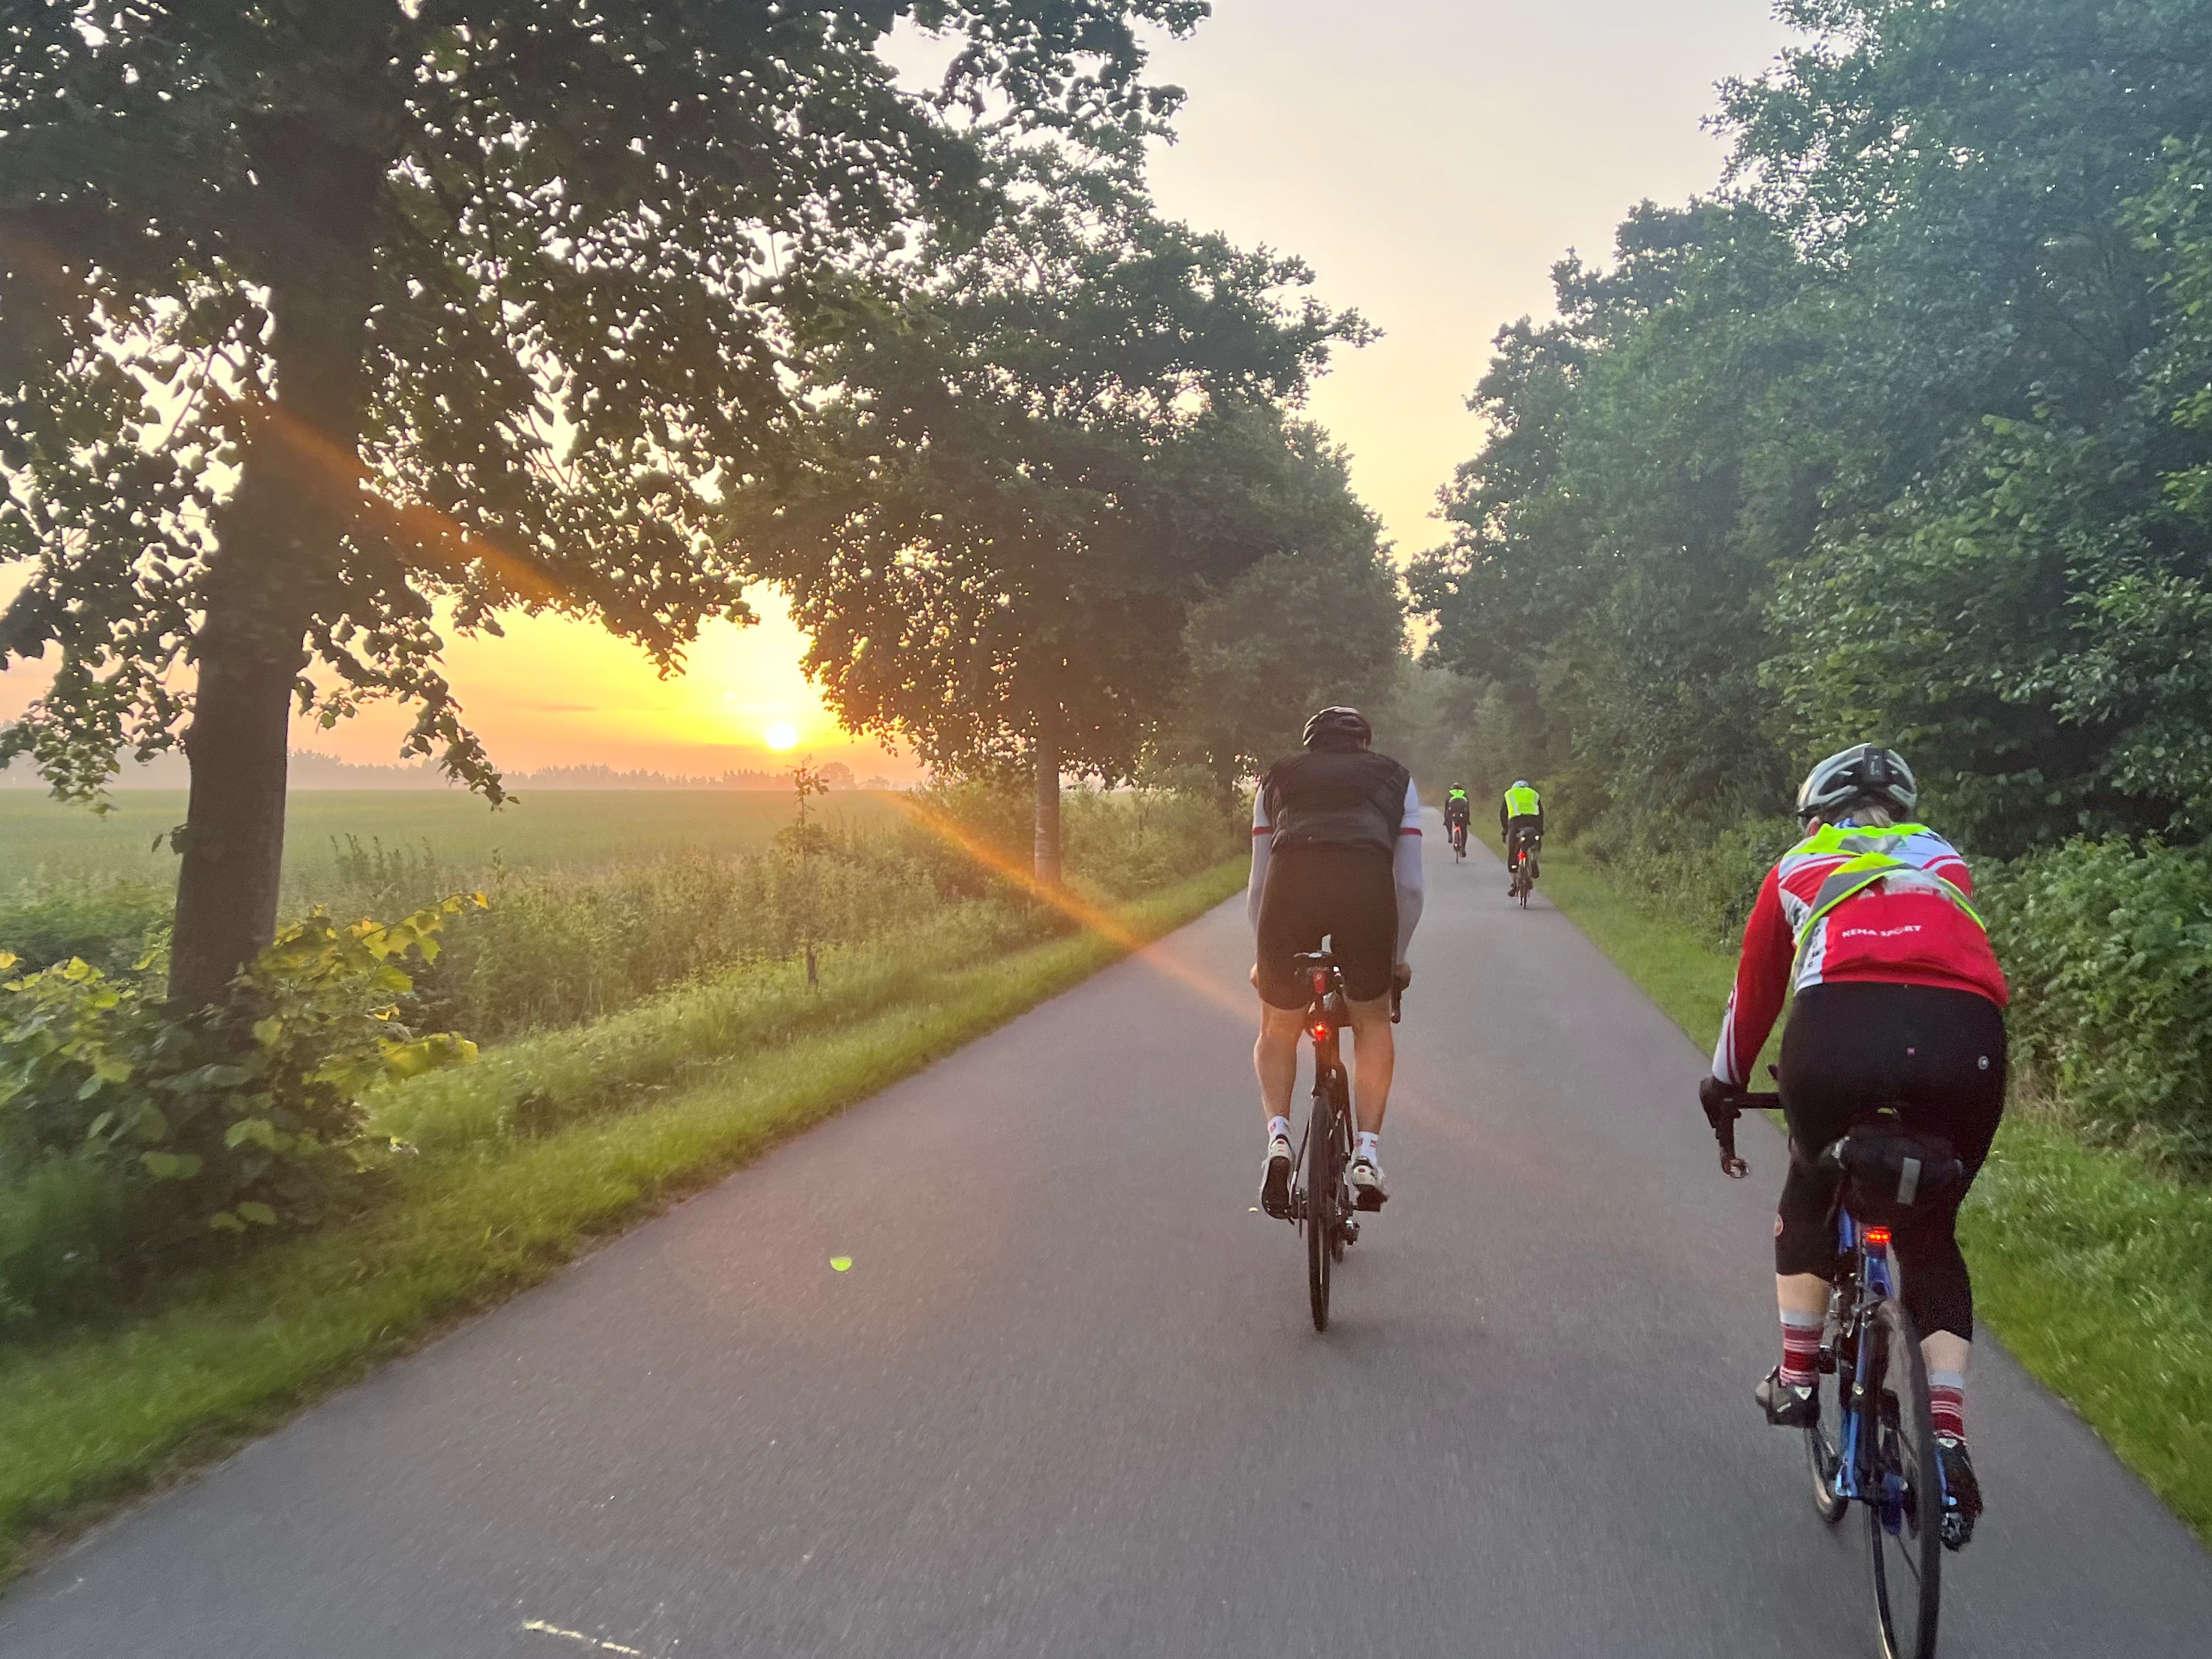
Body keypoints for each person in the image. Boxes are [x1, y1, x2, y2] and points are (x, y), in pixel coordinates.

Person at [1699, 743, 2008, 1550]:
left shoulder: (1798, 865)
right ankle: (1946, 1443)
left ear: (1816, 817)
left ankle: (1799, 1378)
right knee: (1930, 1231)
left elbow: (1755, 992)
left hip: (1837, 1032)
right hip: (1964, 1041)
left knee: (1809, 1183)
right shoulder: (1945, 860)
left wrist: (1723, 1083)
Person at [1250, 706, 1424, 1214]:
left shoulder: (1277, 778)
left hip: (1290, 894)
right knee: (1372, 1021)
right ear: (1363, 744)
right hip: (1364, 895)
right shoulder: (1397, 779)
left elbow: (1259, 885)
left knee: (1277, 1027)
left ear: (1311, 745)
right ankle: (1366, 1153)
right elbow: (1410, 886)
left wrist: (1265, 960)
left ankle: (1279, 1138)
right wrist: (1396, 960)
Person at [1499, 779, 1543, 896]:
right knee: (1535, 844)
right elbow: (1541, 814)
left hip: (1516, 825)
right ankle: (1533, 859)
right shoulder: (1534, 794)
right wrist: (1540, 830)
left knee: (1513, 853)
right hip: (1533, 825)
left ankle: (1513, 883)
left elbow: (1503, 814)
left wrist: (1505, 829)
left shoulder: (1509, 794)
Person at [1443, 784, 1472, 854]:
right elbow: (1468, 809)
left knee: (1449, 819)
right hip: (1463, 807)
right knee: (1464, 829)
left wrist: (1446, 820)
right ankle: (1463, 848)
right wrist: (1468, 820)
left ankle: (1450, 835)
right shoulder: (1464, 793)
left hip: (1453, 807)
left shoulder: (1450, 793)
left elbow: (1446, 808)